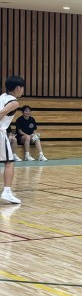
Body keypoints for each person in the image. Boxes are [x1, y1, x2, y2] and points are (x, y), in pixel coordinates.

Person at [0, 76, 25, 204]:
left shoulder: (2, 97)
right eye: (22, 88)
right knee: (9, 162)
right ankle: (7, 192)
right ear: (18, 88)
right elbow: (2, 113)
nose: (23, 90)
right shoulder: (14, 102)